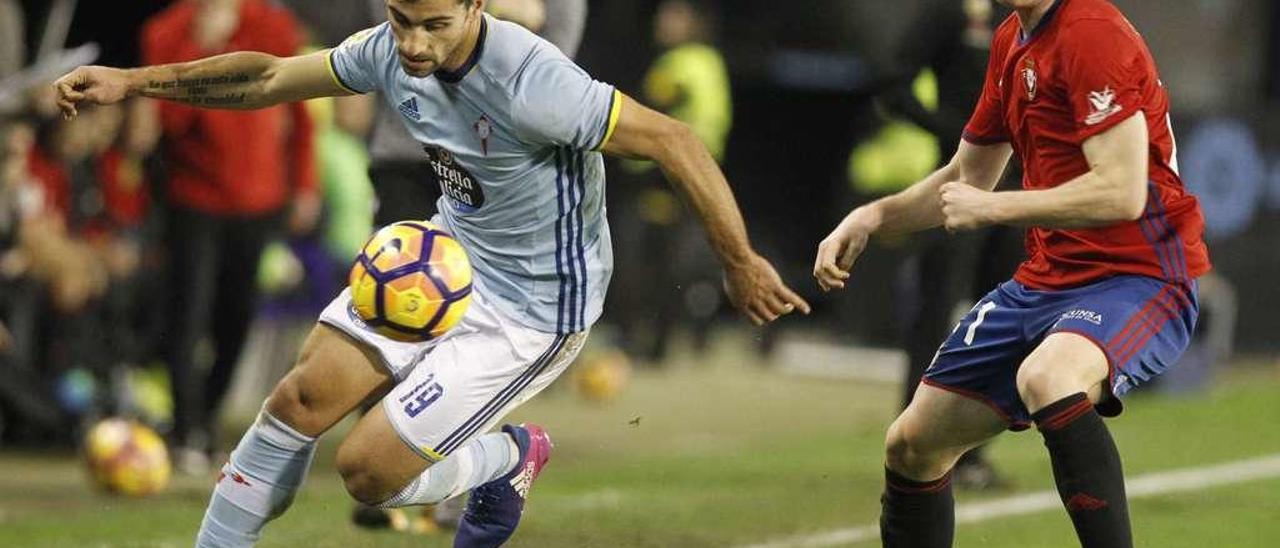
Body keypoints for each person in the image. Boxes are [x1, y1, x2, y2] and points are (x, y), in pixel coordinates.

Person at [55, 1, 810, 547]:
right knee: (300, 397)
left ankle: (507, 458)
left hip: (533, 307)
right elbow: (267, 78)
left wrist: (738, 262)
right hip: (442, 262)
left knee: (366, 473)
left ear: (477, 7)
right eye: (400, 19)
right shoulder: (391, 44)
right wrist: (134, 81)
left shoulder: (532, 80)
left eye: (434, 25)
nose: (413, 44)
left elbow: (675, 139)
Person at [813, 0, 1210, 546]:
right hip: (1045, 279)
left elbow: (1120, 192)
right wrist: (874, 216)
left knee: (1048, 377)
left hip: (1139, 276)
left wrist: (993, 208)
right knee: (911, 444)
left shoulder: (1092, 32)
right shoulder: (1011, 40)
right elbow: (966, 177)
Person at [138, 0, 320, 472]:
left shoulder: (273, 24)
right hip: (193, 198)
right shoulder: (167, 32)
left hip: (259, 199)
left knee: (236, 318)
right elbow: (169, 124)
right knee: (188, 314)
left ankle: (206, 419)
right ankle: (184, 428)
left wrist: (304, 182)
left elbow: (298, 111)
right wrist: (202, 48)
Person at [874, 0, 1012, 490]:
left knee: (1014, 318)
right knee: (936, 315)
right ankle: (914, 452)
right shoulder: (952, 12)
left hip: (1023, 194)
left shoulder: (1025, 17)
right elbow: (892, 83)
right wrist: (959, 137)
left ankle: (973, 454)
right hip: (958, 189)